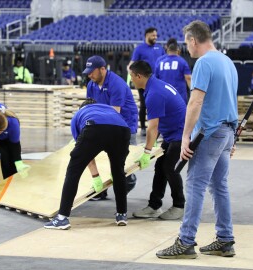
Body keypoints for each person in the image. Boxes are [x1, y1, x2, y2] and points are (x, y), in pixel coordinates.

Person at [156, 20, 238, 259]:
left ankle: (186, 240)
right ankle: (224, 239)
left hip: (208, 133)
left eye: (187, 43)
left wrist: (185, 137)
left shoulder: (203, 63)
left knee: (195, 186)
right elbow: (231, 100)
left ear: (193, 40)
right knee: (219, 187)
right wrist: (232, 138)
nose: (186, 48)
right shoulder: (227, 61)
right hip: (226, 132)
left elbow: (195, 101)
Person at [44, 99, 131, 230]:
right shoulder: (109, 109)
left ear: (81, 108)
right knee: (118, 171)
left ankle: (62, 218)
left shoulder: (79, 115)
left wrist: (95, 176)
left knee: (74, 170)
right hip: (122, 130)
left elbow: (85, 153)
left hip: (94, 128)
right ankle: (122, 214)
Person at [129, 60, 186, 220]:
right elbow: (162, 118)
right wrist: (154, 142)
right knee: (160, 168)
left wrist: (147, 152)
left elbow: (152, 127)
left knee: (169, 168)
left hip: (180, 135)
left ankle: (179, 206)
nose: (131, 80)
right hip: (173, 133)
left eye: (132, 76)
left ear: (139, 76)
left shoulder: (154, 93)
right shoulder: (155, 86)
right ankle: (154, 206)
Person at [83, 55, 139, 199]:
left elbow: (115, 114)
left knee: (121, 162)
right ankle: (101, 190)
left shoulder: (116, 84)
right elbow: (90, 108)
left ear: (102, 69)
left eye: (92, 71)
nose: (89, 74)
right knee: (92, 152)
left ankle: (127, 183)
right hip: (104, 122)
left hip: (124, 125)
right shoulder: (91, 84)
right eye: (87, 71)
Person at [129, 27, 166, 136]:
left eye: (156, 35)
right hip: (144, 83)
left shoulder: (160, 49)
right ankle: (144, 127)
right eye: (153, 35)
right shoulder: (139, 49)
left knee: (159, 104)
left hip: (157, 82)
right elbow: (132, 65)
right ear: (147, 35)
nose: (155, 37)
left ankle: (160, 128)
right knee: (144, 104)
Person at [154, 38, 192, 104]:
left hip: (163, 94)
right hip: (179, 96)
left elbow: (155, 79)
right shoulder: (182, 61)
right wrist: (193, 92)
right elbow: (188, 78)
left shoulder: (160, 62)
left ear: (168, 50)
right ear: (178, 50)